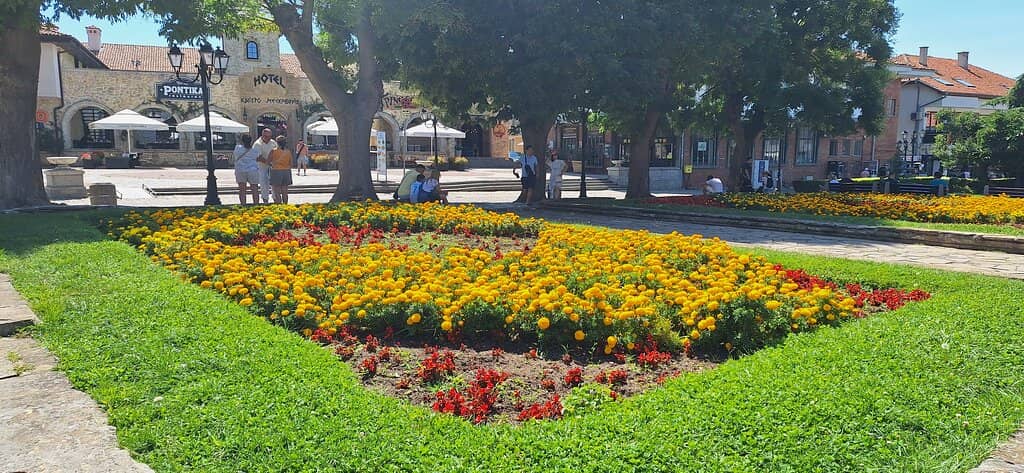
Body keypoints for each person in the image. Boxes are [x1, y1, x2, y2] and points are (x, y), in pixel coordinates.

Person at [232, 134, 261, 205]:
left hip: (240, 170)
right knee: (255, 189)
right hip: (253, 170)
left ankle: (243, 204)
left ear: (242, 141)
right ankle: (256, 204)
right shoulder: (255, 150)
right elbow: (258, 158)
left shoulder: (237, 148)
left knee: (242, 190)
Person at [252, 128, 278, 204]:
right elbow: (259, 157)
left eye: (270, 136)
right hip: (261, 167)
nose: (268, 138)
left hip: (272, 166)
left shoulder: (273, 142)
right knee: (264, 184)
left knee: (274, 183)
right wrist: (269, 162)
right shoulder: (257, 144)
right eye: (266, 136)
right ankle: (265, 201)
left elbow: (277, 152)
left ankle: (276, 199)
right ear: (262, 135)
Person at [268, 135, 293, 204]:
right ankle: (285, 205)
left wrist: (273, 164)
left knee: (277, 191)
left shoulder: (273, 151)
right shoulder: (288, 152)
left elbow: (268, 161)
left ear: (277, 142)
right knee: (285, 191)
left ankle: (279, 205)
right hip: (286, 171)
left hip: (276, 171)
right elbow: (291, 164)